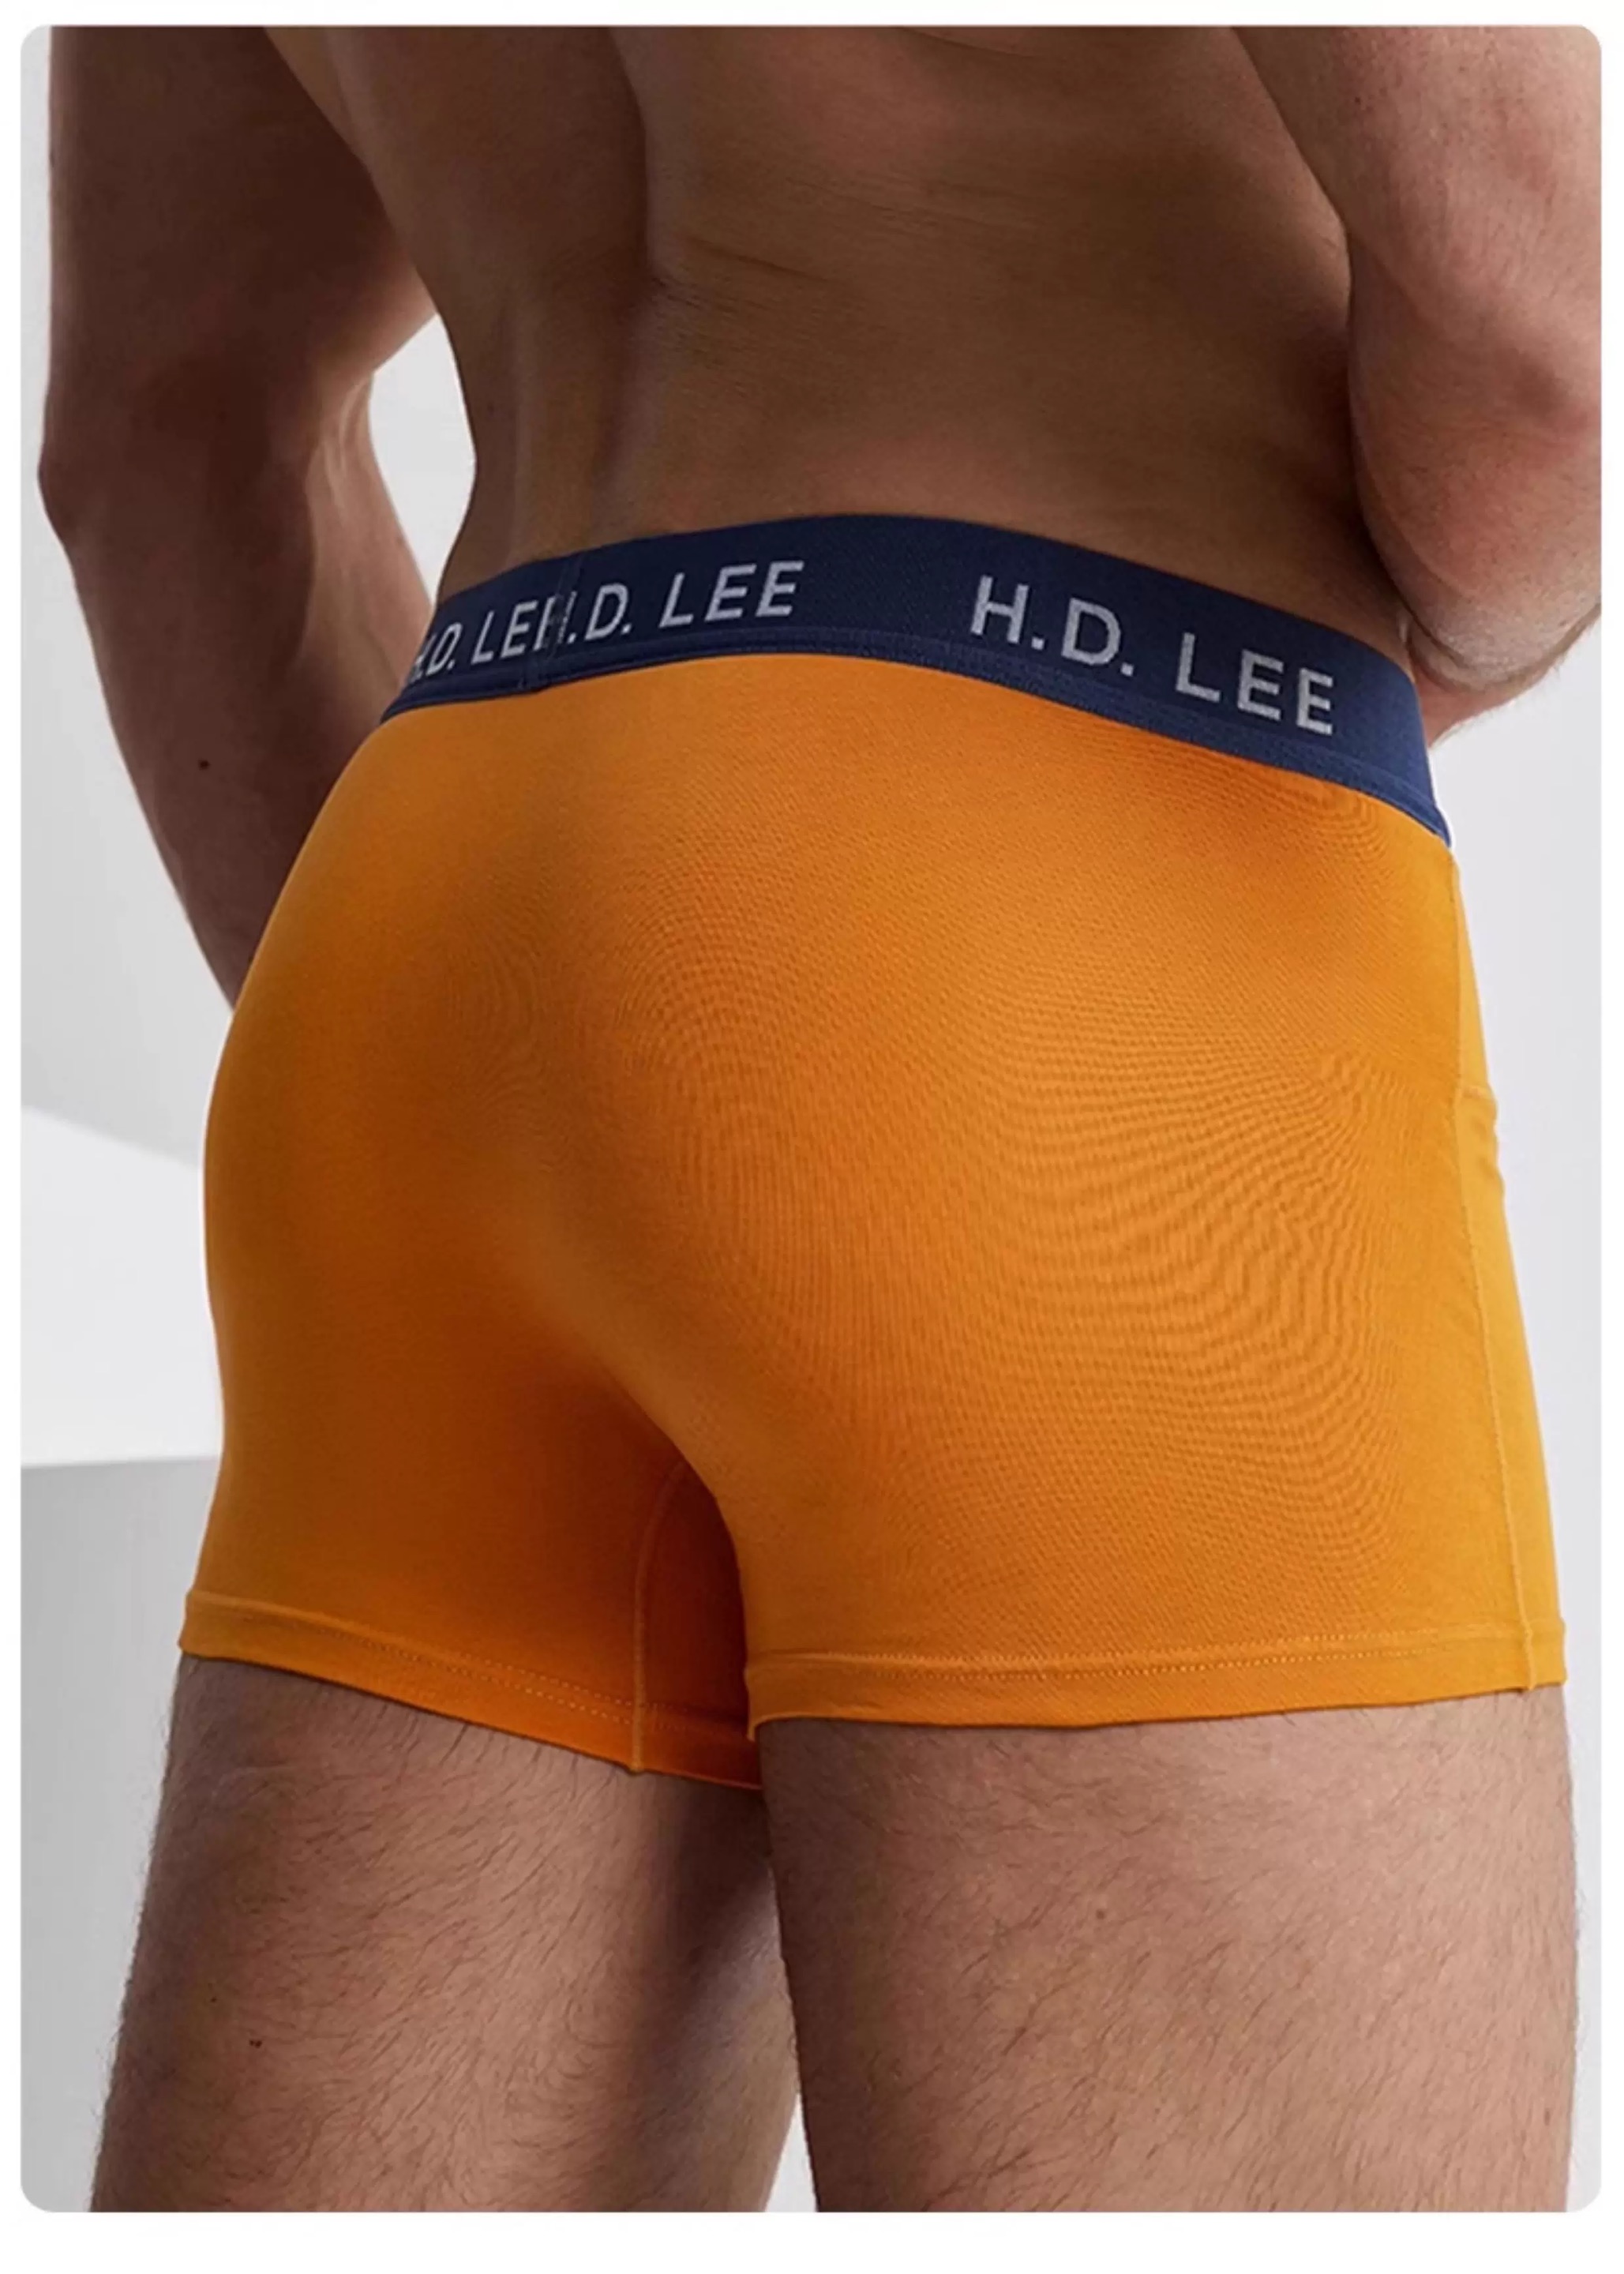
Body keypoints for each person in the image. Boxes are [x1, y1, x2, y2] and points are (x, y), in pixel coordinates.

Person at [41, 25, 1596, 2212]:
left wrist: (564, 1031)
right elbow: (1540, 344)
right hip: (1066, 868)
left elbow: (163, 434)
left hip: (447, 902)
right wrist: (1415, 656)